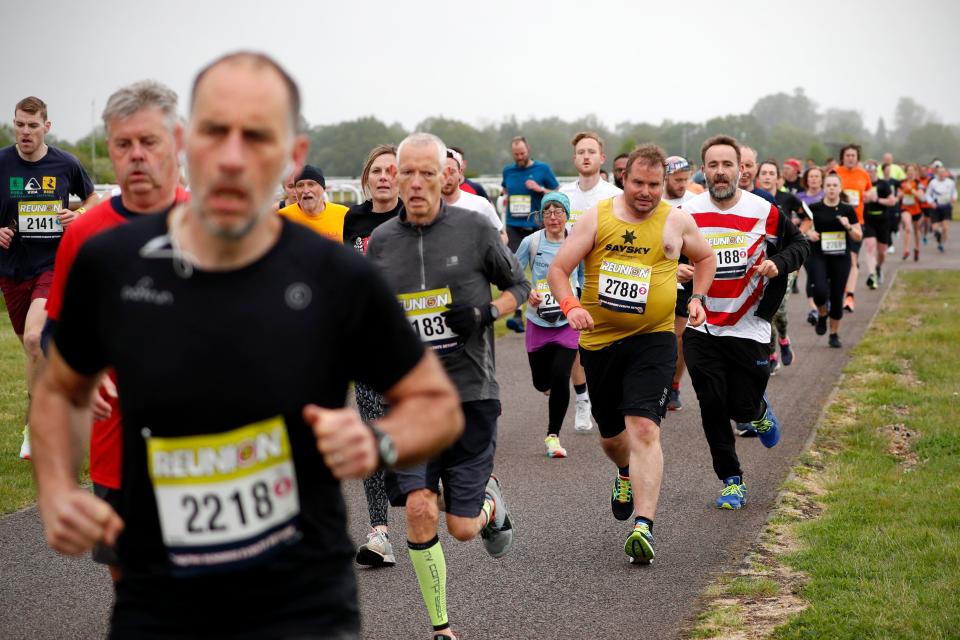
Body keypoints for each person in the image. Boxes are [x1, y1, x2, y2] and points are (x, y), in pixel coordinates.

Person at [31, 51, 463, 639]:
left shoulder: (335, 275)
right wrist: (55, 489)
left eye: (256, 136)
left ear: (293, 156)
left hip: (302, 595)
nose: (232, 157)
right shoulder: (111, 262)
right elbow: (59, 388)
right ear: (187, 140)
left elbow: (436, 403)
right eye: (215, 132)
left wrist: (377, 440)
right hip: (159, 593)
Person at [368, 132, 529, 640]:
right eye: (406, 173)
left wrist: (485, 312)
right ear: (394, 176)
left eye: (427, 173)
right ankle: (442, 629)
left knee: (461, 529)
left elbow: (519, 287)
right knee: (417, 507)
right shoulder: (383, 243)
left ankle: (488, 505)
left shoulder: (475, 228)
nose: (415, 184)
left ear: (446, 176)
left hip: (471, 394)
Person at [42, 80, 188, 583]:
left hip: (206, 449)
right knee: (131, 588)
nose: (137, 156)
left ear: (178, 142)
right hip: (117, 449)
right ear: (109, 147)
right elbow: (56, 333)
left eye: (150, 142)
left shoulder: (217, 226)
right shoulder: (83, 234)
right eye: (124, 144)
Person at [548, 144, 716, 564]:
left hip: (653, 339)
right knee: (611, 438)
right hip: (601, 342)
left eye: (654, 185)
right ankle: (623, 472)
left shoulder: (676, 220)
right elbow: (558, 270)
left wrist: (698, 298)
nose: (645, 191)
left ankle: (644, 527)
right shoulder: (598, 217)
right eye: (638, 183)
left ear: (664, 185)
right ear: (624, 178)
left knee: (643, 427)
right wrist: (572, 307)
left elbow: (707, 257)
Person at [680, 135, 809, 510]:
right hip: (702, 325)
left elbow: (800, 245)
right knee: (711, 403)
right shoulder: (686, 212)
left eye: (728, 165)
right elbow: (663, 256)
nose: (721, 172)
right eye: (713, 165)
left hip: (750, 325)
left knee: (741, 406)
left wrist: (778, 263)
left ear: (741, 170)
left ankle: (758, 412)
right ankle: (731, 479)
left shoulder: (763, 211)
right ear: (703, 170)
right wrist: (678, 270)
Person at [0, 96, 98, 460]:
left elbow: (91, 200)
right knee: (34, 350)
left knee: (33, 337)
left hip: (51, 265)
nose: (25, 132)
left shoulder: (65, 163)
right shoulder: (2, 162)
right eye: (19, 125)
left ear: (46, 127)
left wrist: (80, 215)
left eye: (32, 125)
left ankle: (36, 426)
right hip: (11, 271)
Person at [342, 144, 405, 568]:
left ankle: (478, 501)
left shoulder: (413, 219)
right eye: (377, 170)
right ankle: (379, 533)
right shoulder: (355, 219)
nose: (384, 177)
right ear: (367, 177)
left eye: (391, 171)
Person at [558, 132, 623, 430]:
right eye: (581, 152)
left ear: (601, 158)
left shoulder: (613, 195)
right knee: (574, 343)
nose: (586, 156)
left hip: (605, 281)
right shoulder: (563, 195)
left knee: (605, 345)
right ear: (574, 159)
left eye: (591, 151)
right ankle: (583, 399)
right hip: (571, 281)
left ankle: (608, 395)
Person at [515, 192, 583, 458]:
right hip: (537, 320)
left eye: (558, 212)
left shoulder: (577, 243)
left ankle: (553, 436)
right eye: (548, 212)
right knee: (540, 381)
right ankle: (545, 387)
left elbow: (587, 276)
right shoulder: (531, 242)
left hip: (567, 321)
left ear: (566, 215)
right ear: (542, 216)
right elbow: (514, 274)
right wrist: (527, 292)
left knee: (560, 375)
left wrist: (581, 302)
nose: (553, 217)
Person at [501, 135, 558, 333]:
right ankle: (517, 316)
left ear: (529, 150)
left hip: (536, 226)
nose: (519, 157)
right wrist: (504, 196)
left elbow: (556, 192)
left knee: (543, 268)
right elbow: (504, 188)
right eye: (516, 154)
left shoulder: (542, 169)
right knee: (514, 269)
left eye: (522, 153)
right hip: (514, 226)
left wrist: (539, 189)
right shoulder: (508, 170)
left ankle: (549, 307)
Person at [799, 173, 862, 348]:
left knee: (836, 296)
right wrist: (808, 233)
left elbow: (858, 236)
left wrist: (848, 226)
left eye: (835, 185)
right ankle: (822, 314)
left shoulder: (848, 209)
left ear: (840, 188)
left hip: (841, 257)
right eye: (829, 185)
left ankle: (833, 334)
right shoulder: (814, 208)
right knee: (819, 291)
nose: (832, 188)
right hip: (819, 255)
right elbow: (800, 230)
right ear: (824, 187)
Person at [756, 160, 804, 373]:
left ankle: (784, 339)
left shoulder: (788, 198)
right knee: (767, 309)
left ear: (778, 178)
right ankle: (772, 352)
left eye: (771, 173)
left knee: (780, 310)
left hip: (785, 262)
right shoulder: (752, 198)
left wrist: (803, 232)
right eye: (763, 173)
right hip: (760, 263)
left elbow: (807, 218)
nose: (767, 177)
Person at [662, 155, 695, 410]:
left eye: (686, 179)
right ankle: (655, 383)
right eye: (677, 179)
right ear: (665, 177)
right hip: (658, 273)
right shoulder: (654, 202)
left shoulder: (693, 204)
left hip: (686, 275)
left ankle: (673, 385)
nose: (683, 184)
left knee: (679, 336)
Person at [832, 144, 873, 313]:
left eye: (853, 155)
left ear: (857, 157)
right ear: (843, 157)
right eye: (847, 155)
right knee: (838, 260)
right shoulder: (835, 172)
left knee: (853, 258)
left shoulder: (863, 174)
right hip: (837, 222)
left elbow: (868, 192)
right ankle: (838, 291)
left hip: (857, 222)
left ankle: (849, 297)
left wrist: (869, 196)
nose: (850, 158)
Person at [441, 148, 506, 243]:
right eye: (443, 172)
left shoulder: (481, 204)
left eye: (452, 172)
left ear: (460, 172)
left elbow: (502, 235)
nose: (448, 178)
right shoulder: (425, 207)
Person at [278, 164, 349, 242]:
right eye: (300, 185)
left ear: (323, 188)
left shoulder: (344, 214)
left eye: (311, 184)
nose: (306, 191)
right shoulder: (282, 218)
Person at [862, 163, 898, 288]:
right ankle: (872, 275)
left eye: (872, 170)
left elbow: (892, 201)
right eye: (867, 170)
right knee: (870, 246)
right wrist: (863, 199)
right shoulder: (863, 184)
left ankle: (878, 267)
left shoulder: (883, 184)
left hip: (882, 219)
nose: (870, 172)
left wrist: (877, 199)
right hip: (868, 219)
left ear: (876, 171)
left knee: (882, 252)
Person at [925, 164, 956, 253]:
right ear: (937, 173)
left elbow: (954, 192)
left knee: (946, 228)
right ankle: (938, 238)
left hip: (946, 207)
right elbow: (928, 194)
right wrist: (931, 202)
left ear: (945, 173)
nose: (942, 174)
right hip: (936, 207)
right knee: (935, 228)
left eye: (943, 172)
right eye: (940, 173)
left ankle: (941, 244)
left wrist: (954, 197)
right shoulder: (933, 183)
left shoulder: (950, 182)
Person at [899, 164, 924, 262]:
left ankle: (917, 249)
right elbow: (898, 195)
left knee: (917, 231)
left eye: (912, 170)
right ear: (906, 172)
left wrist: (912, 190)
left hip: (916, 209)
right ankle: (906, 250)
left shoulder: (918, 183)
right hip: (905, 208)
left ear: (915, 172)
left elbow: (921, 196)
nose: (910, 172)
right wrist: (902, 193)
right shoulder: (902, 182)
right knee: (908, 227)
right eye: (908, 170)